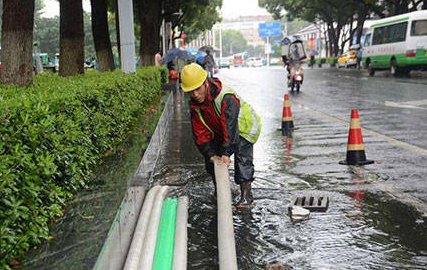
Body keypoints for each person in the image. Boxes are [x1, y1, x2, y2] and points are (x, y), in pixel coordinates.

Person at [180, 63, 261, 208]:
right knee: (212, 162)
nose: (195, 95)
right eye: (190, 91)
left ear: (205, 83)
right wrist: (210, 154)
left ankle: (246, 196)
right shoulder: (195, 103)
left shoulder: (225, 96)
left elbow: (230, 127)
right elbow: (199, 132)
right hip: (221, 130)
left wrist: (226, 153)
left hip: (243, 128)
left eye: (198, 89)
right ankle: (220, 191)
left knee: (242, 162)